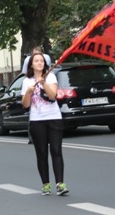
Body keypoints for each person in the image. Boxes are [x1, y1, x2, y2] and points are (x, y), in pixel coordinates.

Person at [22, 53, 69, 196]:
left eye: (41, 61)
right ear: (31, 64)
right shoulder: (26, 81)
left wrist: (43, 83)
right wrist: (28, 92)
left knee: (56, 150)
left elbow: (52, 95)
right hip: (37, 120)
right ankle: (45, 184)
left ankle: (60, 184)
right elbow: (26, 105)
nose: (39, 63)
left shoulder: (51, 77)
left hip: (54, 118)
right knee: (41, 153)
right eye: (36, 61)